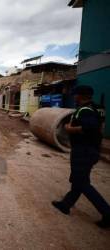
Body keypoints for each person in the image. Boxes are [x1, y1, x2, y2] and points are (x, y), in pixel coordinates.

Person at [52, 85, 110, 229]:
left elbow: (90, 128)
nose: (74, 96)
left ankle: (107, 213)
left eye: (76, 94)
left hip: (83, 151)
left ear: (82, 95)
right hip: (91, 149)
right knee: (79, 179)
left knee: (82, 183)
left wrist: (69, 129)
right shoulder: (98, 108)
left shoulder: (85, 110)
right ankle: (66, 204)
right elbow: (98, 128)